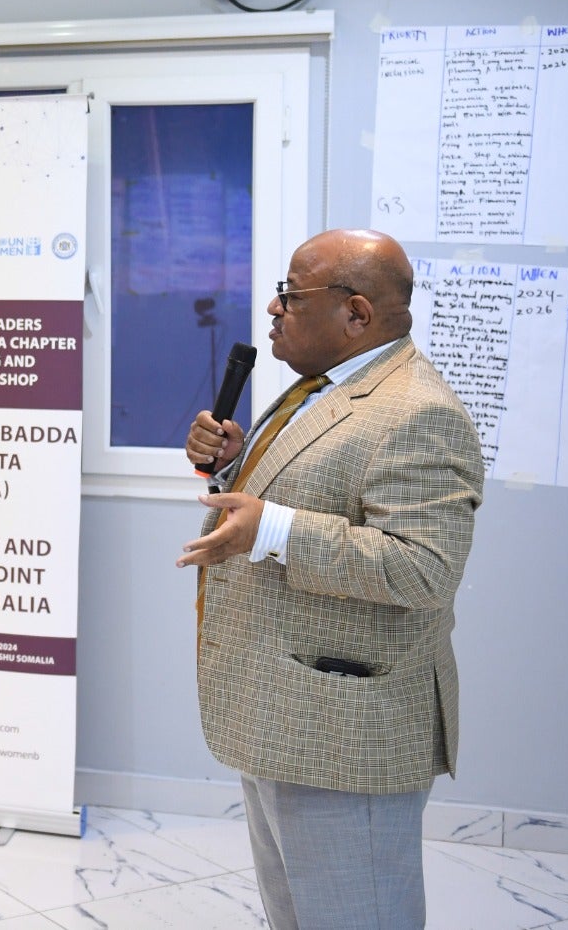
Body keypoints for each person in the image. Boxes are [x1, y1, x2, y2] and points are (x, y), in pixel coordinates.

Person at [177, 229, 484, 930]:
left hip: (348, 728)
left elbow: (424, 568)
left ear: (356, 315)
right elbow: (298, 493)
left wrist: (274, 528)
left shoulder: (417, 411)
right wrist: (234, 463)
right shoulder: (323, 390)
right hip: (284, 708)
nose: (274, 309)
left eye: (291, 294)